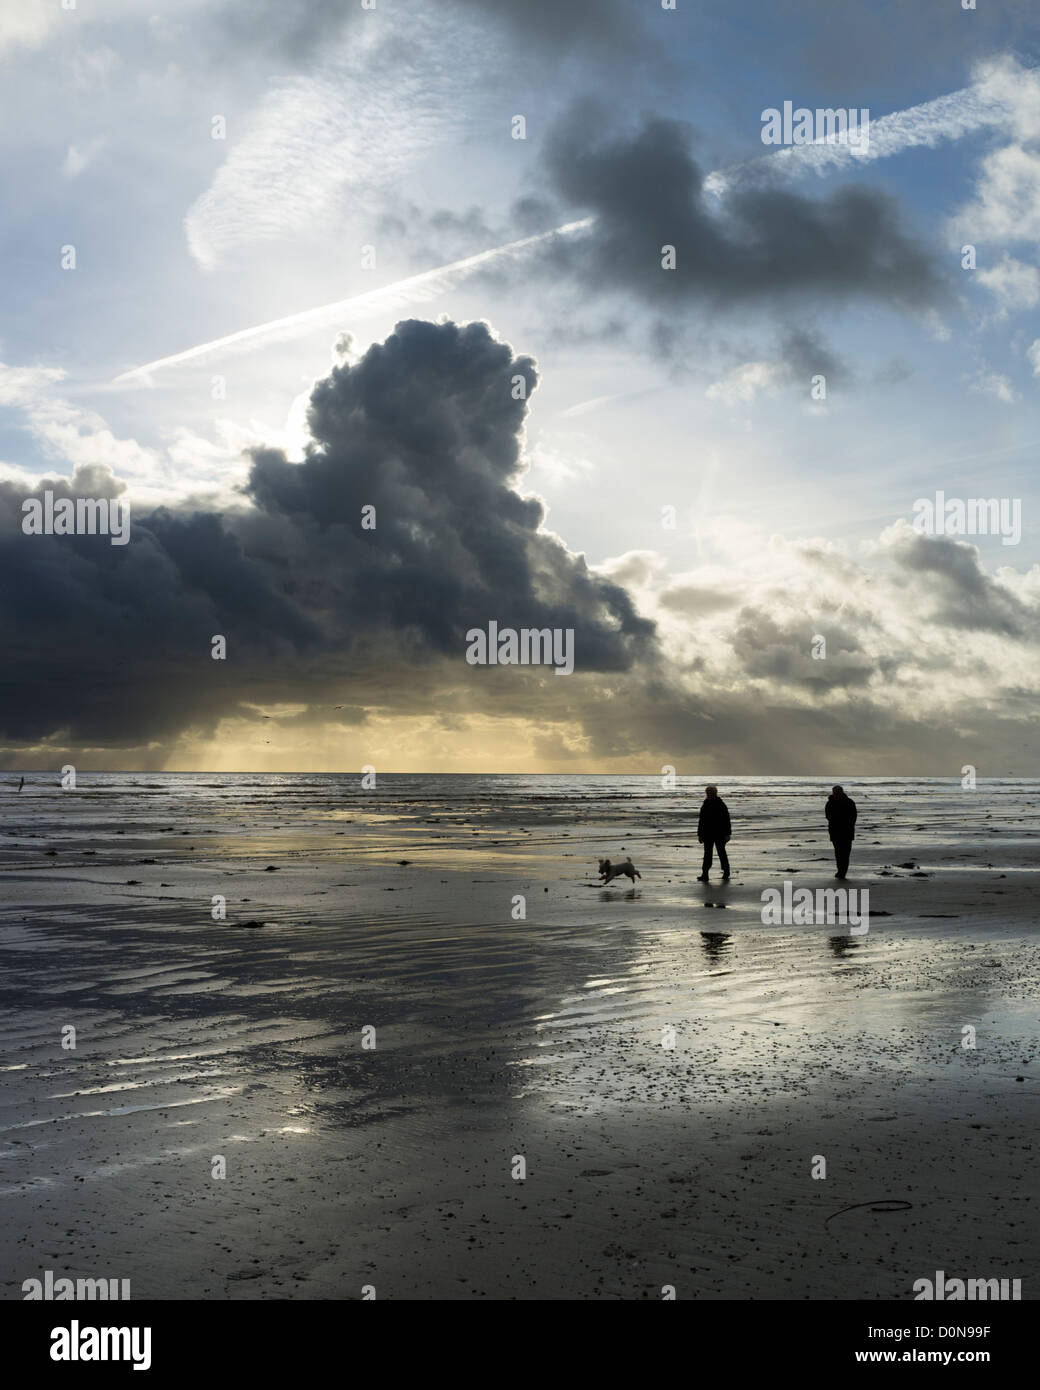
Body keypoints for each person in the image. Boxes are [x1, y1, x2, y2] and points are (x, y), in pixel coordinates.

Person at [697, 785, 731, 882]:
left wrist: (728, 834)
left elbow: (726, 820)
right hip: (707, 834)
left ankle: (726, 871)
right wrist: (699, 834)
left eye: (710, 793)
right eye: (708, 793)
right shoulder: (705, 804)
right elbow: (701, 821)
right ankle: (705, 874)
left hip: (719, 833)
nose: (709, 794)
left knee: (721, 853)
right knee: (707, 854)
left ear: (715, 793)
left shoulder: (721, 804)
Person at [825, 784, 857, 879]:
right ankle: (840, 870)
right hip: (835, 831)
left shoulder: (849, 802)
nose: (836, 794)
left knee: (845, 853)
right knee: (838, 852)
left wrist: (848, 825)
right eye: (835, 792)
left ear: (842, 792)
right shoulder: (830, 803)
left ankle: (842, 872)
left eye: (838, 792)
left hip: (846, 831)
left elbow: (853, 816)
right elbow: (828, 816)